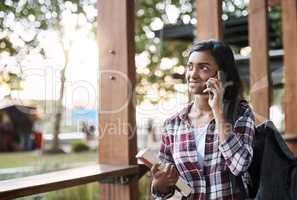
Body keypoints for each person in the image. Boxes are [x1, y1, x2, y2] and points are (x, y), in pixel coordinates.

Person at [151, 39, 255, 199]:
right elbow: (168, 193)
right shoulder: (172, 125)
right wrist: (160, 186)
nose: (192, 74)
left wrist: (219, 112)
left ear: (221, 74)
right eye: (190, 66)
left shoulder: (240, 112)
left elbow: (240, 166)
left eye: (203, 68)